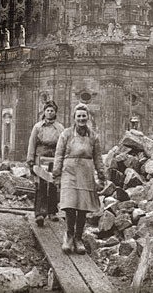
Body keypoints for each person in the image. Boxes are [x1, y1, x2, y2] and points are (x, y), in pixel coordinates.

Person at [52, 103, 106, 254]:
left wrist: (101, 175)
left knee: (82, 207)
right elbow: (59, 154)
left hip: (86, 173)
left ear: (88, 117)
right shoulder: (66, 134)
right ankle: (68, 236)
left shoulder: (94, 136)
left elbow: (98, 158)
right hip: (69, 171)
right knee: (70, 205)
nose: (81, 119)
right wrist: (56, 174)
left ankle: (78, 237)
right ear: (74, 118)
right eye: (79, 116)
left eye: (84, 116)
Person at [27, 101, 65, 227]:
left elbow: (64, 145)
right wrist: (30, 161)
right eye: (48, 110)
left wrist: (63, 161)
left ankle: (52, 211)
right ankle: (39, 213)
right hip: (40, 158)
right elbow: (32, 144)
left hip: (54, 158)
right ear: (44, 112)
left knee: (53, 185)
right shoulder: (38, 127)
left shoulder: (60, 128)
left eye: (52, 110)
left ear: (55, 112)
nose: (50, 113)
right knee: (40, 185)